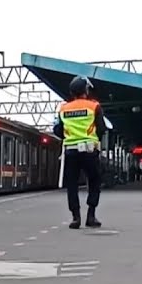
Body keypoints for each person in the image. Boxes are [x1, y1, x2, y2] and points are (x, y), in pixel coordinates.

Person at [52, 75, 105, 229]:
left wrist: (69, 136)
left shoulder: (64, 109)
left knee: (72, 184)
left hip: (71, 151)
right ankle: (91, 215)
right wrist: (94, 139)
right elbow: (101, 128)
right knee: (94, 181)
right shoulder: (94, 107)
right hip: (89, 150)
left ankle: (76, 217)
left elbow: (57, 130)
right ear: (86, 90)